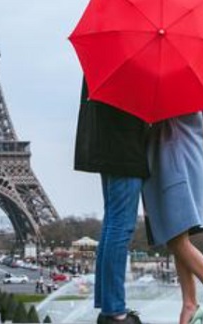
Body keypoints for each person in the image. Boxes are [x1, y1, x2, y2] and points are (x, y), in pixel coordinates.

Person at [141, 112, 203, 324]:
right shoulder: (188, 103)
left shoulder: (173, 101)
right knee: (178, 239)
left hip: (177, 170)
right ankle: (189, 303)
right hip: (183, 166)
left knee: (177, 242)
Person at [74, 79, 151, 324]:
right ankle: (115, 310)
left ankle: (109, 306)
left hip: (107, 146)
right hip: (124, 148)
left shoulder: (106, 56)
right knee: (120, 227)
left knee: (112, 225)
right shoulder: (132, 59)